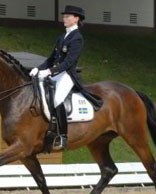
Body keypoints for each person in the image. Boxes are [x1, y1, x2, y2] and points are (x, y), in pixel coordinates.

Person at [29, 5, 103, 150]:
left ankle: (62, 136)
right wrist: (38, 68)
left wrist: (49, 71)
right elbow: (51, 58)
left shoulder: (77, 38)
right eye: (64, 16)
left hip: (68, 75)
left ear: (76, 19)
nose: (64, 18)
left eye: (68, 16)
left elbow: (69, 62)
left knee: (57, 99)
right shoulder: (62, 37)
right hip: (57, 74)